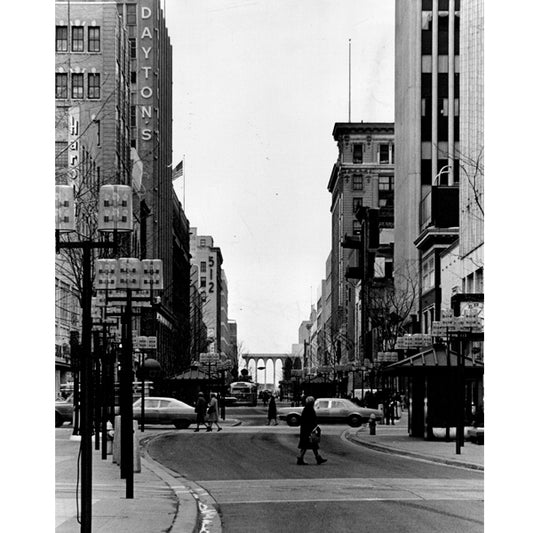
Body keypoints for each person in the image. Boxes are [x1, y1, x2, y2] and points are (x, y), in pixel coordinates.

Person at [296, 396, 327, 465]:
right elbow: (311, 420)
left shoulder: (306, 409)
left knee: (311, 445)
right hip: (308, 430)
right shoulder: (309, 409)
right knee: (308, 444)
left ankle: (317, 458)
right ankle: (301, 458)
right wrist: (314, 427)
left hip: (305, 429)